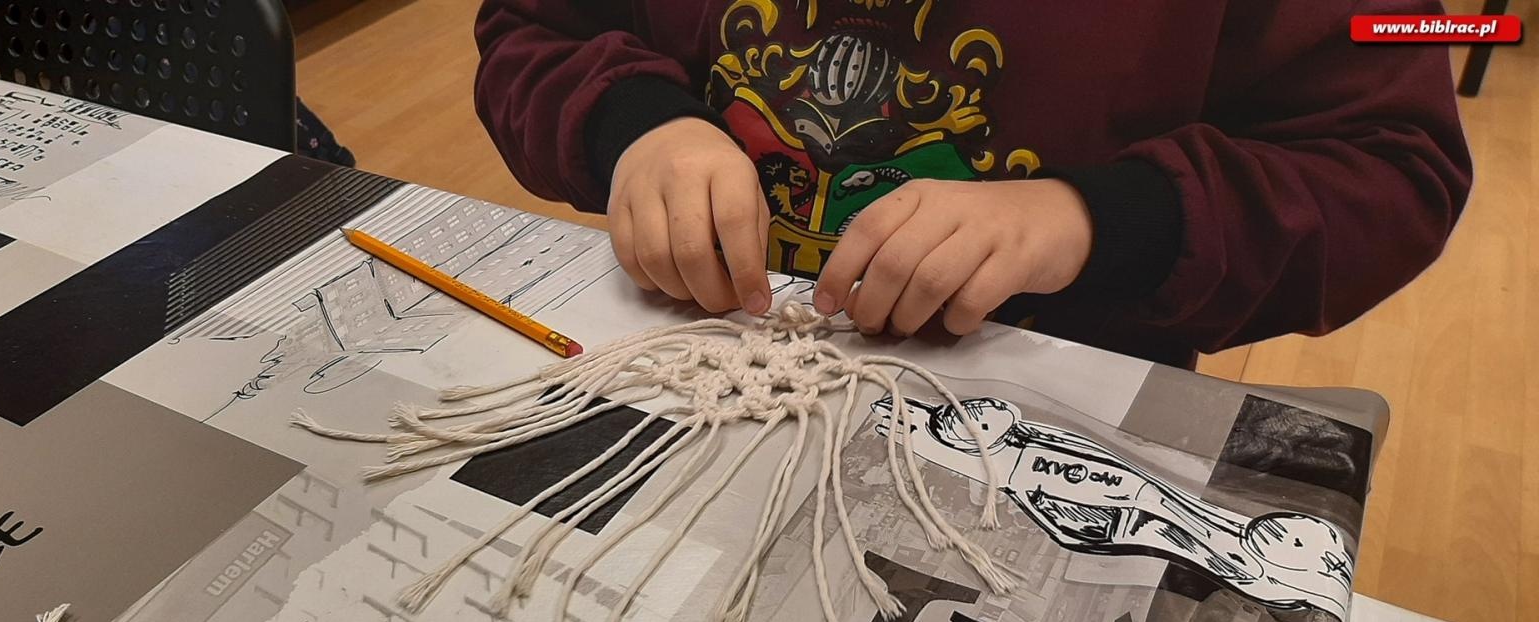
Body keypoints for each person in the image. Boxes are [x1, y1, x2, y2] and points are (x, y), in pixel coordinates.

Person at [471, 1, 1472, 367]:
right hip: (681, 351)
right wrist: (637, 128)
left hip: (1044, 387)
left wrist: (1089, 219)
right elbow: (534, 29)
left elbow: (1387, 165)